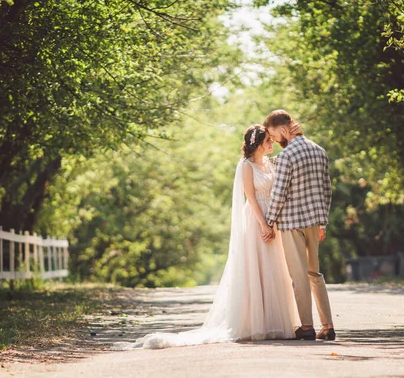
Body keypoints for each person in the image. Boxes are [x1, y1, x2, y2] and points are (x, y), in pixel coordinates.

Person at [127, 124, 301, 349]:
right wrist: (263, 224)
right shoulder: (246, 166)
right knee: (257, 267)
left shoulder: (271, 163)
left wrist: (274, 222)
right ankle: (256, 324)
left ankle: (277, 322)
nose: (271, 143)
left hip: (274, 219)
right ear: (256, 144)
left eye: (271, 139)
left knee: (275, 268)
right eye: (267, 140)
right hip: (257, 218)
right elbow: (250, 196)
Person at [263, 109, 336, 341]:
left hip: (292, 224)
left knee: (299, 276)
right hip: (315, 223)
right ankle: (328, 325)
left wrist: (269, 221)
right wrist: (322, 221)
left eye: (274, 136)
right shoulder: (319, 151)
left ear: (284, 130)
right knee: (315, 273)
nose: (274, 140)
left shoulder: (287, 156)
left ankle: (306, 327)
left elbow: (279, 193)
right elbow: (327, 190)